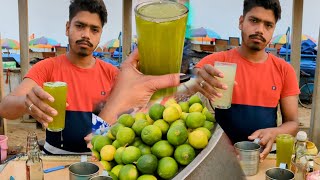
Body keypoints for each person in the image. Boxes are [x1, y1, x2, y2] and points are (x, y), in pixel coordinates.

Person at [0, 0, 179, 154]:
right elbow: (6, 108)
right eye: (80, 26)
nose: (86, 34)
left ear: (100, 34)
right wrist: (27, 102)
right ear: (67, 27)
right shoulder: (46, 67)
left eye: (94, 29)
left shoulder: (114, 74)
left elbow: (131, 117)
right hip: (52, 158)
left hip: (101, 160)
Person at [192, 0, 299, 160]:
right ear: (241, 22)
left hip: (262, 156)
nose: (260, 30)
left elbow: (292, 123)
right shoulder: (218, 62)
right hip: (219, 156)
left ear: (273, 29)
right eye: (254, 20)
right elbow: (189, 80)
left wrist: (274, 132)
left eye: (268, 25)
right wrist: (196, 79)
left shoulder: (284, 70)